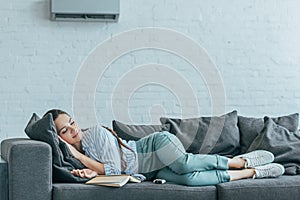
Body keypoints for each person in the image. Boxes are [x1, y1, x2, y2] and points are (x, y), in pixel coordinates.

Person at [44, 109, 285, 186]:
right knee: (189, 181)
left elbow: (114, 168)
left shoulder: (94, 133)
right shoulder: (79, 155)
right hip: (149, 171)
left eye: (72, 122)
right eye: (65, 130)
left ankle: (239, 161)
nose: (73, 129)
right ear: (60, 137)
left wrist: (80, 158)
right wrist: (91, 172)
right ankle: (251, 173)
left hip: (155, 147)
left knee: (184, 163)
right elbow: (110, 173)